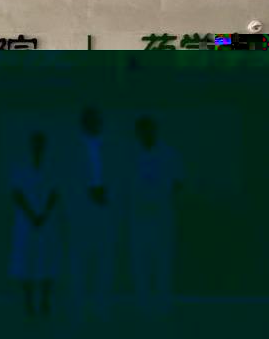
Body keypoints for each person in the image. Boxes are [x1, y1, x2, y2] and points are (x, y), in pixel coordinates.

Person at [129, 115, 184, 315]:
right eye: (142, 131)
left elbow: (179, 182)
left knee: (163, 261)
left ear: (155, 130)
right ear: (137, 133)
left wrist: (162, 200)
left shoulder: (170, 154)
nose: (146, 134)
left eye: (149, 129)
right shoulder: (130, 156)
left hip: (162, 216)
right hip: (138, 217)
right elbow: (124, 185)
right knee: (140, 262)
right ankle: (143, 305)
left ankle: (164, 304)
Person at [68, 106, 118, 326]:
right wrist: (87, 194)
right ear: (83, 123)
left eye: (97, 120)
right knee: (79, 262)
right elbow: (67, 180)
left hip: (105, 211)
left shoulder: (111, 147)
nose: (95, 124)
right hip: (81, 213)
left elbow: (119, 176)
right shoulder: (71, 149)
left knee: (105, 261)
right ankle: (78, 308)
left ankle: (101, 307)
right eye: (90, 120)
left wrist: (107, 196)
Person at [9, 131, 62, 318]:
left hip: (47, 221)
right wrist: (31, 215)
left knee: (48, 259)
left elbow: (55, 193)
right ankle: (29, 301)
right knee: (26, 260)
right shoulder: (20, 167)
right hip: (26, 222)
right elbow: (17, 194)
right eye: (35, 143)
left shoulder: (52, 167)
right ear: (30, 145)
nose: (38, 146)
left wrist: (44, 214)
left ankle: (45, 299)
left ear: (45, 146)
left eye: (41, 143)